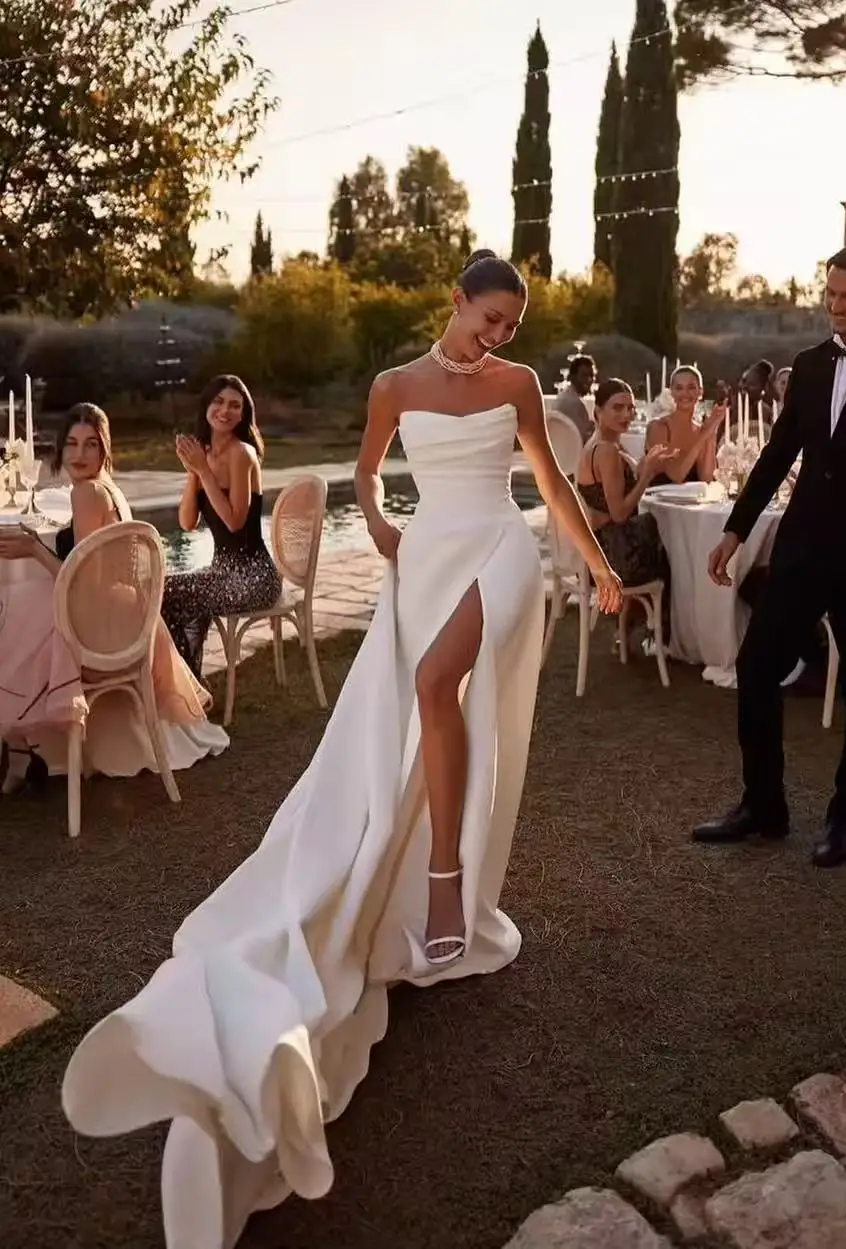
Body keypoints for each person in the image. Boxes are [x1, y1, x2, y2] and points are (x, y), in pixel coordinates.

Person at [61, 249, 623, 1249]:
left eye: (511, 325)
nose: (499, 336)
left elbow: (546, 479)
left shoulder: (519, 387)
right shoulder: (393, 385)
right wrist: (379, 521)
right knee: (401, 727)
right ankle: (399, 877)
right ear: (454, 302)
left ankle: (448, 879)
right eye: (488, 317)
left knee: (432, 687)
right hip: (425, 557)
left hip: (496, 552)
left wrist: (594, 562)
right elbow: (366, 470)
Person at [692, 240, 846, 868]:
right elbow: (779, 453)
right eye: (830, 294)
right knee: (755, 669)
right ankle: (763, 807)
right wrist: (736, 529)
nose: (835, 306)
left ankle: (845, 817)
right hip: (802, 550)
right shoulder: (807, 365)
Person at [0, 404, 227, 790]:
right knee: (25, 602)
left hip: (104, 628)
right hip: (130, 620)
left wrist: (35, 549)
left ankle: (19, 746)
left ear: (104, 449)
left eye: (90, 444)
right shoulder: (108, 487)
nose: (79, 454)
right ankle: (22, 749)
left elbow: (83, 584)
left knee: (15, 609)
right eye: (71, 444)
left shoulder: (87, 493)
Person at [161, 375, 282, 678]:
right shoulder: (204, 456)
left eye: (234, 405)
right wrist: (194, 472)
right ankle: (187, 681)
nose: (225, 410)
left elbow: (234, 521)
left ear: (243, 414)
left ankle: (188, 685)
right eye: (218, 401)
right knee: (161, 589)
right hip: (221, 572)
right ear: (206, 406)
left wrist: (202, 469)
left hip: (254, 578)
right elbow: (187, 523)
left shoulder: (242, 453)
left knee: (165, 593)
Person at [577, 378, 674, 588]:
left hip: (599, 550)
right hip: (613, 557)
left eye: (630, 408)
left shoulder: (603, 442)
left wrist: (648, 462)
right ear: (599, 411)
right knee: (676, 549)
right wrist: (647, 475)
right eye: (617, 408)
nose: (626, 415)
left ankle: (634, 617)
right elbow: (619, 514)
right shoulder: (606, 450)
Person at [644, 365, 727, 484]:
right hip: (659, 501)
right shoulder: (658, 427)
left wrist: (712, 431)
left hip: (693, 501)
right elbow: (676, 475)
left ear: (700, 392)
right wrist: (704, 435)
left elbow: (707, 479)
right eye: (679, 388)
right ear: (671, 392)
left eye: (691, 387)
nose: (685, 393)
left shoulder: (701, 430)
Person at [552, 353, 596, 441]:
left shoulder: (563, 396)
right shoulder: (574, 403)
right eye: (584, 375)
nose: (589, 380)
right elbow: (586, 441)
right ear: (572, 377)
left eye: (591, 376)